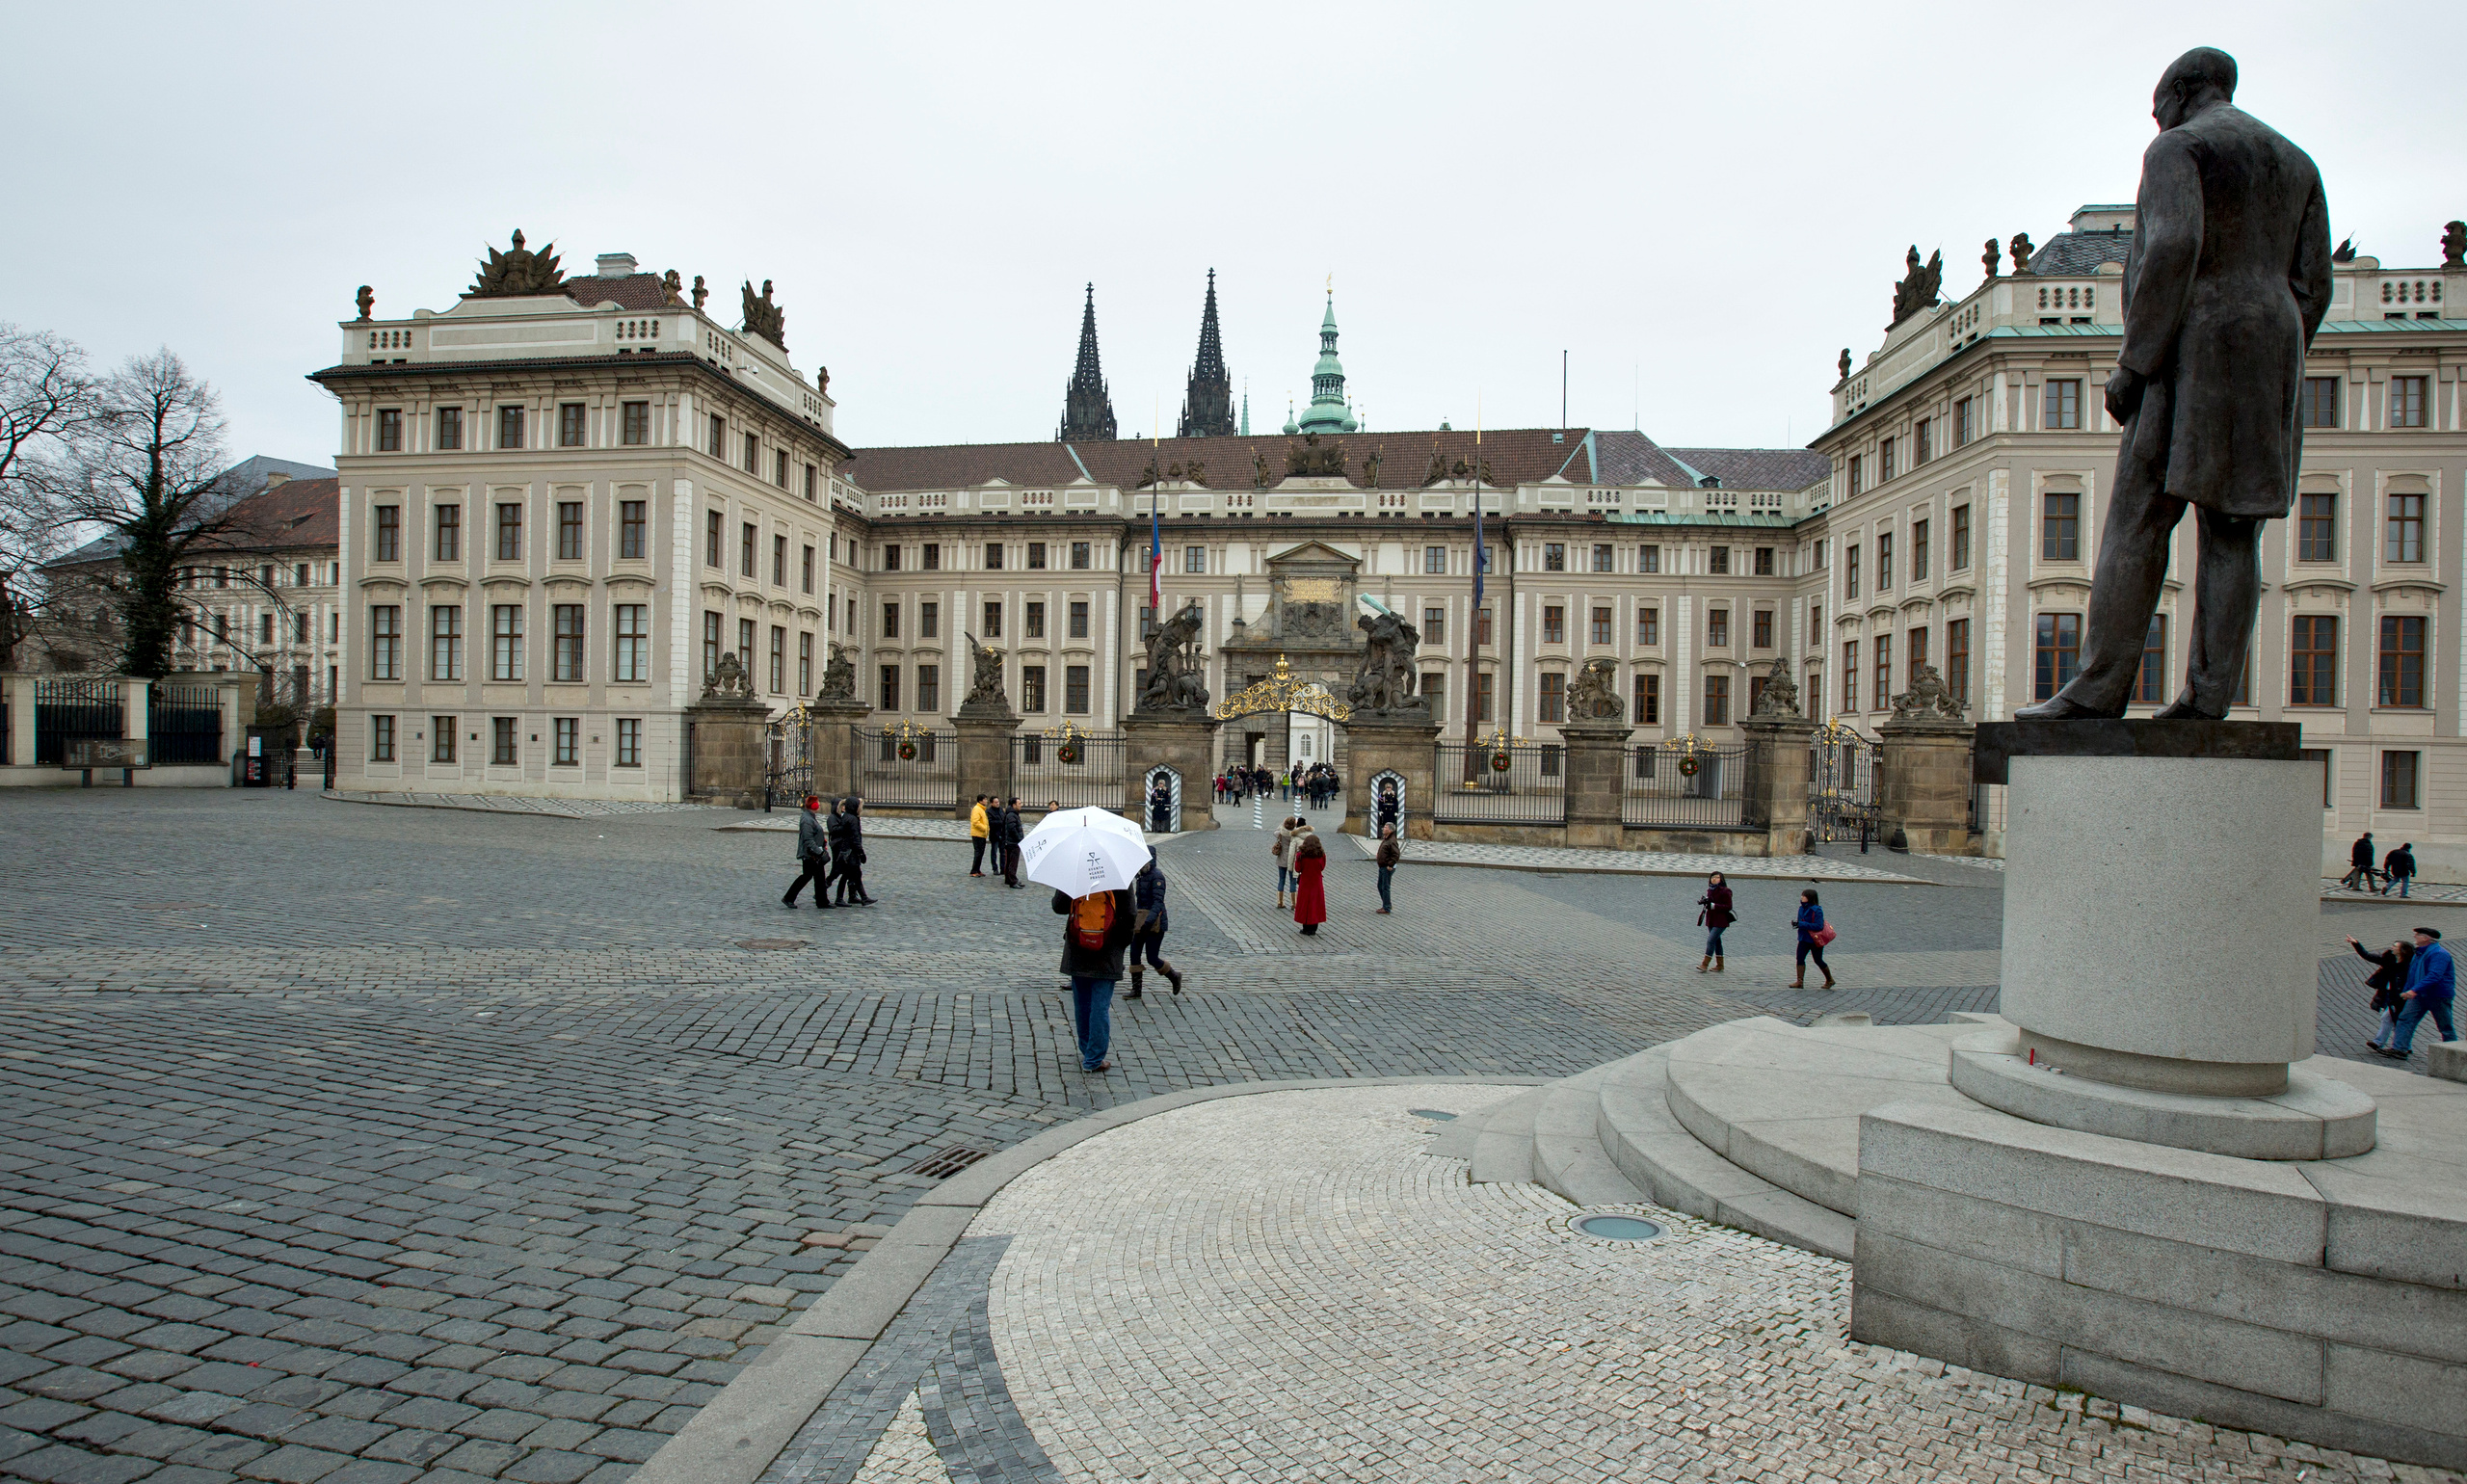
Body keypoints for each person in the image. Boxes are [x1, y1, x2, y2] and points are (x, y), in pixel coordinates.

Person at [1052, 880, 1136, 1072]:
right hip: (1108, 949)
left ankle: (1086, 1050)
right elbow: (1130, 913)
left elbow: (1059, 907)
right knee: (1100, 1005)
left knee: (1082, 1003)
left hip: (1078, 946)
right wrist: (1120, 945)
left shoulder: (1075, 872)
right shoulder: (1118, 876)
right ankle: (1093, 1058)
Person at [2381, 926, 2458, 1059]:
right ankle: (2399, 1049)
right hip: (2419, 995)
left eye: (2417, 935)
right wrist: (2407, 991)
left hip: (2437, 996)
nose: (2414, 937)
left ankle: (2453, 1053)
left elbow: (2434, 976)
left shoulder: (2439, 954)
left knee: (2445, 1026)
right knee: (2405, 1019)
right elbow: (2413, 974)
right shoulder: (2419, 953)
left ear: (2425, 938)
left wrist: (2414, 990)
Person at [1127, 848, 1185, 998]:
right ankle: (1136, 990)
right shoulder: (1140, 876)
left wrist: (1149, 921)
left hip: (1156, 924)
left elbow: (1158, 903)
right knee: (1134, 954)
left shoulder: (1157, 877)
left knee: (1152, 958)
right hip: (1141, 922)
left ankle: (1174, 976)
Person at [2348, 935, 2414, 1053]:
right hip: (2389, 994)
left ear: (2402, 951)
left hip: (2400, 997)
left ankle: (2380, 1042)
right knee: (2394, 1019)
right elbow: (2368, 956)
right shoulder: (2389, 959)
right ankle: (2404, 1045)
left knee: (2389, 1018)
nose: (2391, 948)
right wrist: (2356, 944)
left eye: (2395, 946)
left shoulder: (2409, 966)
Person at [782, 794, 834, 909]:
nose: (819, 804)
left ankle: (822, 901)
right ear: (813, 805)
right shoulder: (807, 819)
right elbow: (808, 839)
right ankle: (789, 897)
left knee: (818, 877)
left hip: (814, 853)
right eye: (817, 802)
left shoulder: (810, 817)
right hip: (810, 854)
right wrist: (820, 852)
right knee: (808, 876)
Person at [830, 797, 873, 906]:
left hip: (847, 850)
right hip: (850, 852)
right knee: (846, 875)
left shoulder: (848, 817)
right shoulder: (852, 819)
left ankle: (862, 897)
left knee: (852, 875)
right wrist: (861, 853)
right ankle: (840, 898)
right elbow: (855, 838)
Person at [1793, 888, 1835, 989]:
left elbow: (1819, 926)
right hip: (1804, 938)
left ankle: (1829, 979)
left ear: (1810, 898)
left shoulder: (1817, 910)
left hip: (1815, 940)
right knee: (1800, 958)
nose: (1802, 897)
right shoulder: (1801, 908)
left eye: (1804, 896)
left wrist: (1801, 924)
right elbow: (1802, 922)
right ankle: (1800, 982)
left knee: (1818, 960)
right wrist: (1797, 924)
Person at [1697, 871, 1736, 973]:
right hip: (1711, 920)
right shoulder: (1710, 890)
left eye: (1717, 877)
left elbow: (1728, 906)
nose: (1714, 879)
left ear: (1721, 879)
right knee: (1717, 942)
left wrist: (1714, 906)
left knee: (1711, 940)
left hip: (1721, 921)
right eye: (1712, 877)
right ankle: (1720, 965)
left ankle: (1704, 964)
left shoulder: (1726, 891)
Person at [1292, 831, 1328, 936]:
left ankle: (1306, 927)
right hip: (1316, 882)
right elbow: (1322, 867)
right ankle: (1314, 927)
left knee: (1305, 904)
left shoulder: (1301, 855)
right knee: (1315, 904)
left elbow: (1298, 868)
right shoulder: (1321, 855)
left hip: (1305, 882)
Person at [1273, 815, 1302, 909]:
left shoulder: (1281, 832)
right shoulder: (1295, 834)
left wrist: (1283, 824)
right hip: (1292, 860)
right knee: (1292, 881)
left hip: (1282, 858)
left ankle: (1280, 901)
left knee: (1281, 880)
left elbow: (1275, 832)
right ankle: (1294, 903)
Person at [998, 796, 1025, 888]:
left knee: (1010, 861)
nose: (1020, 805)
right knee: (1013, 862)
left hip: (1011, 842)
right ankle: (1012, 881)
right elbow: (1012, 829)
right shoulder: (1012, 815)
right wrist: (1019, 838)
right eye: (1019, 803)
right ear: (1014, 805)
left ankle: (1009, 879)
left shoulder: (1012, 814)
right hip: (1013, 842)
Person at [1374, 825, 1400, 914]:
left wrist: (1390, 865)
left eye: (1385, 827)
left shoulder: (1392, 841)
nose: (1383, 828)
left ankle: (1386, 907)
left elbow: (1396, 854)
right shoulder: (1386, 838)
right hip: (1382, 866)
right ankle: (1386, 903)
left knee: (1385, 886)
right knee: (1380, 885)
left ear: (1390, 830)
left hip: (1387, 867)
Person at [968, 796, 990, 876]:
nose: (986, 801)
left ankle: (977, 869)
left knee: (980, 853)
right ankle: (974, 871)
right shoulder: (977, 809)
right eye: (985, 799)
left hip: (982, 834)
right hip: (978, 834)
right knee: (978, 853)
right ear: (980, 801)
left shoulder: (982, 809)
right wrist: (984, 828)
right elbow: (975, 822)